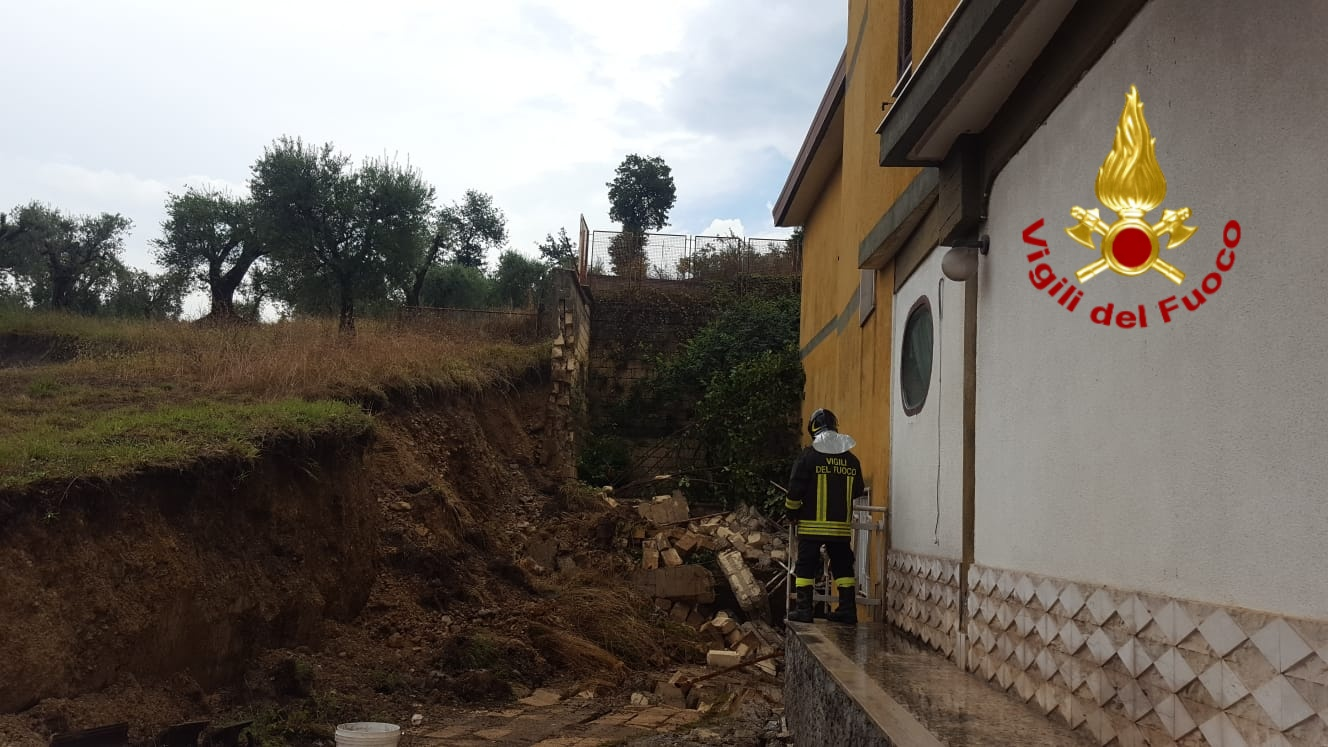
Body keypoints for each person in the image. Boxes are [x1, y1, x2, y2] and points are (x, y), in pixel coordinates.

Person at [785, 408, 865, 624]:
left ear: (813, 428)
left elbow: (794, 490)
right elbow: (858, 490)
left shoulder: (809, 457)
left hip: (812, 527)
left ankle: (804, 609)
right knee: (842, 566)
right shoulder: (851, 460)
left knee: (806, 566)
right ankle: (847, 610)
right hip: (840, 528)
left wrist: (791, 512)